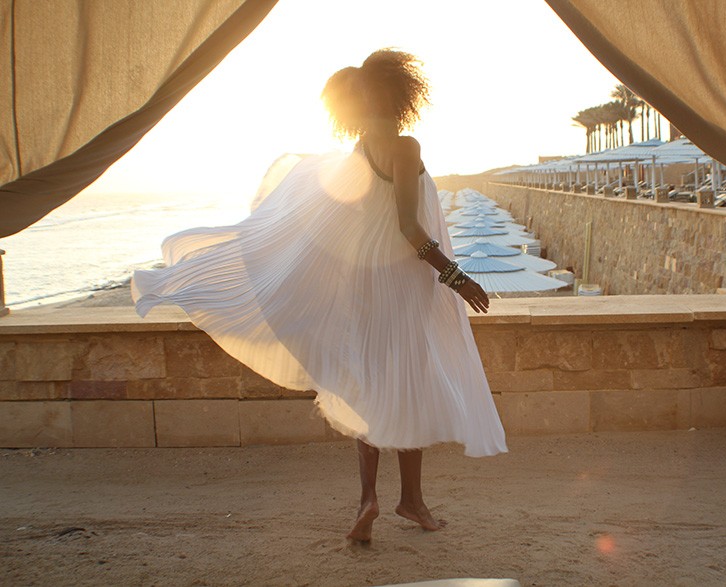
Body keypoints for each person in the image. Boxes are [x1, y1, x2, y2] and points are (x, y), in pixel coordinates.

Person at [131, 48, 508, 543]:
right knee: (407, 386)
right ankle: (411, 501)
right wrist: (457, 278)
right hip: (404, 287)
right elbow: (408, 227)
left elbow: (344, 226)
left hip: (365, 290)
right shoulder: (405, 146)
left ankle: (368, 498)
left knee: (366, 388)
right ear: (400, 94)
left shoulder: (357, 154)